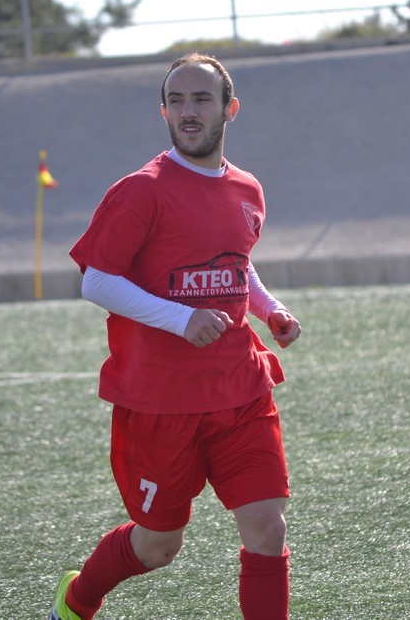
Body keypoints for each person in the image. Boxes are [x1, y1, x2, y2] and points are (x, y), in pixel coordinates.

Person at [50, 52, 301, 620]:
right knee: (158, 546)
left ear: (230, 109)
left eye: (202, 99)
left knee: (267, 528)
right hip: (160, 401)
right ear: (163, 111)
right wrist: (180, 319)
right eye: (177, 100)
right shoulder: (141, 191)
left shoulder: (248, 189)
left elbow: (237, 264)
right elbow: (96, 281)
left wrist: (270, 310)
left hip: (241, 389)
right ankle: (77, 599)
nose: (188, 111)